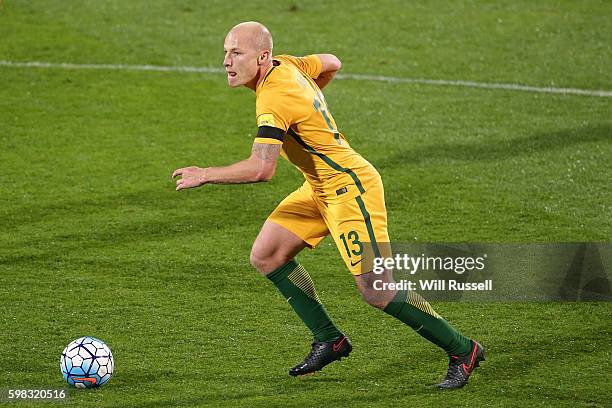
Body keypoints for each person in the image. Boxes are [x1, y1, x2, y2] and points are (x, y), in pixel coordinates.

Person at [172, 21, 484, 389]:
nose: (226, 61)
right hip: (319, 186)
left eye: (235, 53)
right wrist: (309, 103)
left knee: (377, 289)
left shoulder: (274, 98)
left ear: (262, 56)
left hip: (351, 189)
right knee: (267, 254)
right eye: (225, 52)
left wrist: (205, 173)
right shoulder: (288, 65)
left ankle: (464, 350)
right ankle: (329, 339)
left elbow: (261, 169)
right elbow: (332, 62)